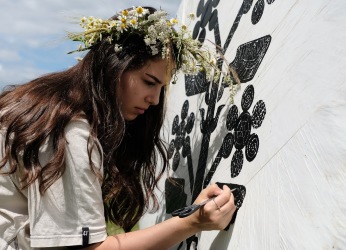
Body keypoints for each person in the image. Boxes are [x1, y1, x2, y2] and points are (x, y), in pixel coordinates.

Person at [0, 6, 237, 249]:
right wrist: (192, 223)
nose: (155, 99)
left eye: (162, 88)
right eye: (148, 82)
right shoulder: (69, 132)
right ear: (115, 65)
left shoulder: (44, 103)